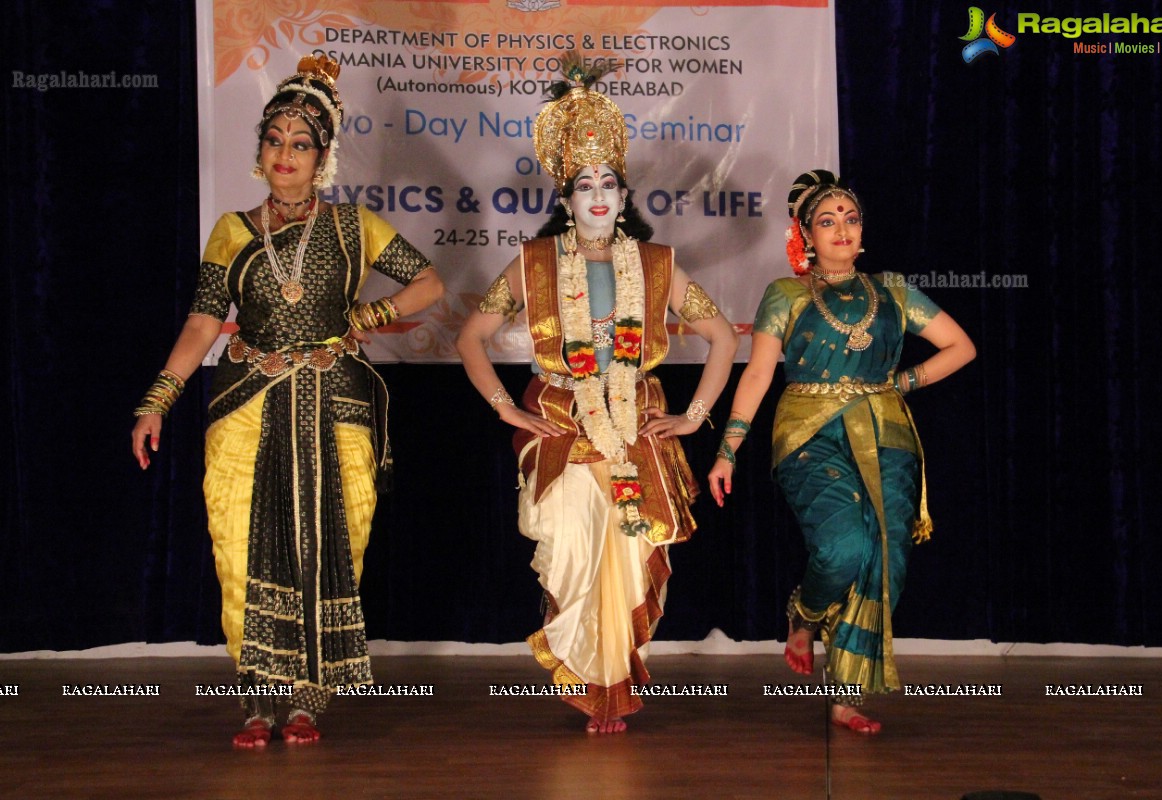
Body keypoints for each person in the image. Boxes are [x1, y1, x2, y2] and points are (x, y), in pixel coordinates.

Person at [130, 54, 444, 747]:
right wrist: (158, 399)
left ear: (323, 156)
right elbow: (203, 322)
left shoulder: (354, 226)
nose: (284, 155)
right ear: (260, 148)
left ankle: (308, 699)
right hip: (248, 400)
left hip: (336, 403)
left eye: (300, 145)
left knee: (335, 540)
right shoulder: (234, 230)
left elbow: (428, 285)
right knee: (239, 547)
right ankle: (255, 701)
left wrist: (362, 319)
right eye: (274, 141)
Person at [456, 57, 737, 734]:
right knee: (580, 556)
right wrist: (507, 408)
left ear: (622, 189)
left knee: (627, 556)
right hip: (561, 421)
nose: (599, 194)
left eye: (609, 181)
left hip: (636, 424)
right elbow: (472, 339)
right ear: (566, 197)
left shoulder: (658, 264)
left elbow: (724, 338)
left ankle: (612, 689)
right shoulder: (535, 263)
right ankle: (587, 672)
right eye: (585, 184)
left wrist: (693, 416)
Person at [708, 170, 974, 734]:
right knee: (843, 545)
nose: (842, 230)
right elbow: (757, 373)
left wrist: (901, 384)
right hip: (809, 430)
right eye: (827, 221)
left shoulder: (895, 292)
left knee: (886, 557)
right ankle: (804, 613)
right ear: (804, 235)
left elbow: (960, 347)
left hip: (887, 436)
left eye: (850, 219)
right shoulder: (786, 294)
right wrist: (728, 449)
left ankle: (845, 695)